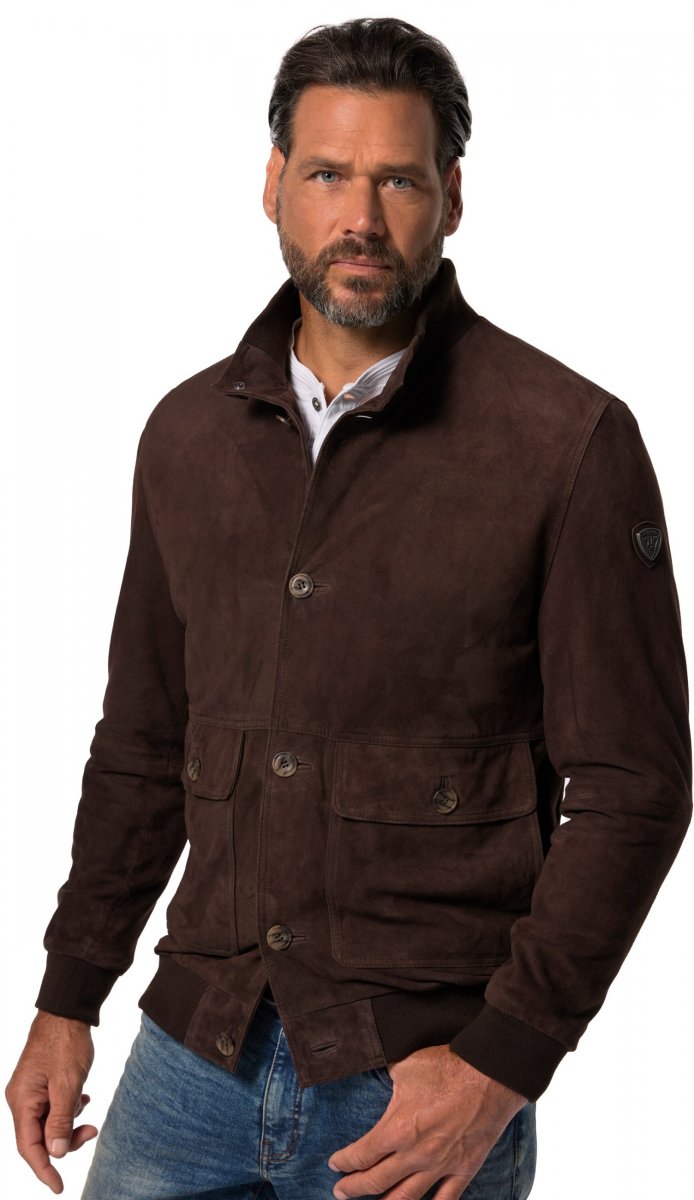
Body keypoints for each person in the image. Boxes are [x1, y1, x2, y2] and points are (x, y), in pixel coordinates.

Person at [6, 15, 692, 1200]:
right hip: (190, 1057)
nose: (360, 217)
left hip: (418, 1082)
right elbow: (143, 745)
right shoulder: (188, 434)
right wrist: (68, 997)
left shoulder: (567, 441)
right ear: (274, 184)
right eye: (327, 174)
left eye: (398, 181)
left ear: (452, 197)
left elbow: (635, 784)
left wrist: (504, 1063)